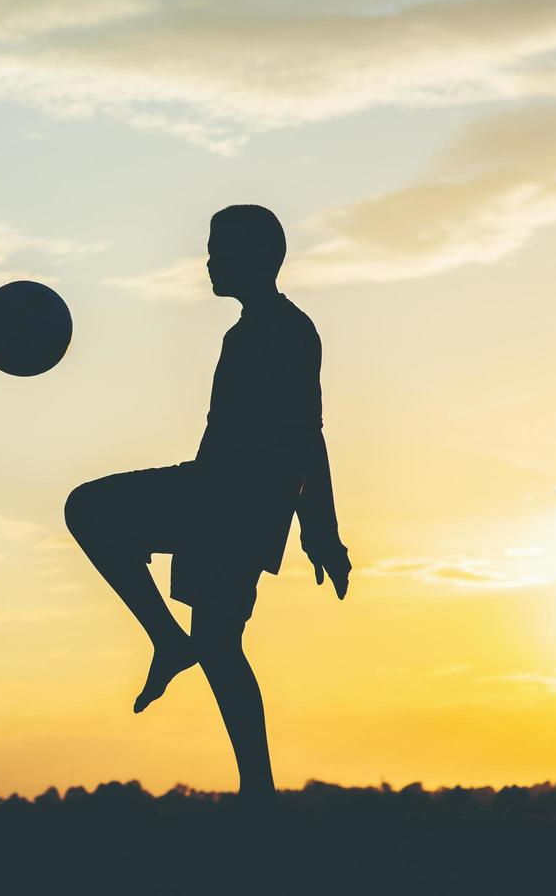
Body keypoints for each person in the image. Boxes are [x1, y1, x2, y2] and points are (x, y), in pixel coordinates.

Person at [64, 204, 351, 799]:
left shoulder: (286, 331)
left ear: (255, 256)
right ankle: (259, 791)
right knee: (220, 645)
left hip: (229, 504)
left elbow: (307, 434)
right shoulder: (246, 331)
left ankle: (169, 644)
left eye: (219, 249)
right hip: (219, 496)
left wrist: (321, 529)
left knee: (87, 508)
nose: (209, 260)